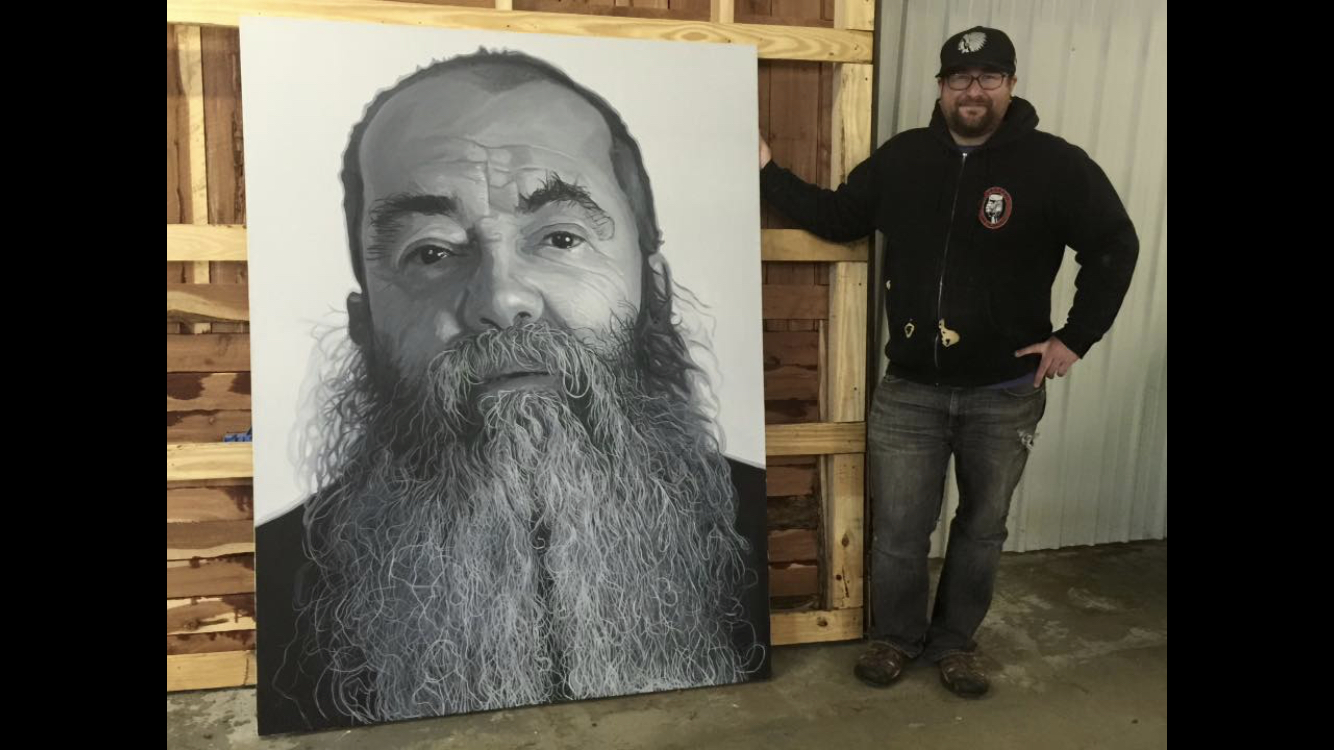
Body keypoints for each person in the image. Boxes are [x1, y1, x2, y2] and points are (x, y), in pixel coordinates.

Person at [256, 50, 768, 734]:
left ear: (655, 291)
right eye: (432, 252)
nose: (502, 300)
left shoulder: (759, 537)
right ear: (365, 324)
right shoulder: (281, 585)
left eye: (560, 237)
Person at [759, 25, 1138, 698]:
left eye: (989, 77)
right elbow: (840, 216)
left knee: (981, 529)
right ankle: (896, 638)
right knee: (900, 531)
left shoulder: (1055, 165)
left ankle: (956, 644)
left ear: (1011, 84)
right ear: (940, 88)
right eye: (960, 78)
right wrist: (767, 171)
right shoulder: (904, 158)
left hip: (1005, 393)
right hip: (910, 391)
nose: (974, 90)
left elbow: (1114, 244)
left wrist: (1075, 338)